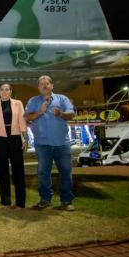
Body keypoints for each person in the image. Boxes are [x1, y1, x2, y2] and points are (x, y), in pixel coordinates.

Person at [24, 75, 76, 211]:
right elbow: (27, 117)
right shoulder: (33, 101)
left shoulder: (62, 99)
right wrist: (39, 112)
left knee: (65, 172)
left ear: (52, 86)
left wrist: (60, 113)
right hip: (42, 144)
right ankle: (45, 199)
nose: (44, 85)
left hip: (62, 143)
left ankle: (66, 200)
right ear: (38, 87)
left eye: (47, 83)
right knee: (43, 173)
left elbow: (71, 115)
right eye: (41, 84)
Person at [0, 83, 28, 208]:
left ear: (11, 91)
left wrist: (25, 138)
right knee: (2, 171)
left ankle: (21, 201)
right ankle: (5, 200)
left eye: (7, 89)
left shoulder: (18, 103)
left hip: (15, 139)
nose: (4, 92)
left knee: (18, 171)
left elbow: (22, 121)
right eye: (2, 90)